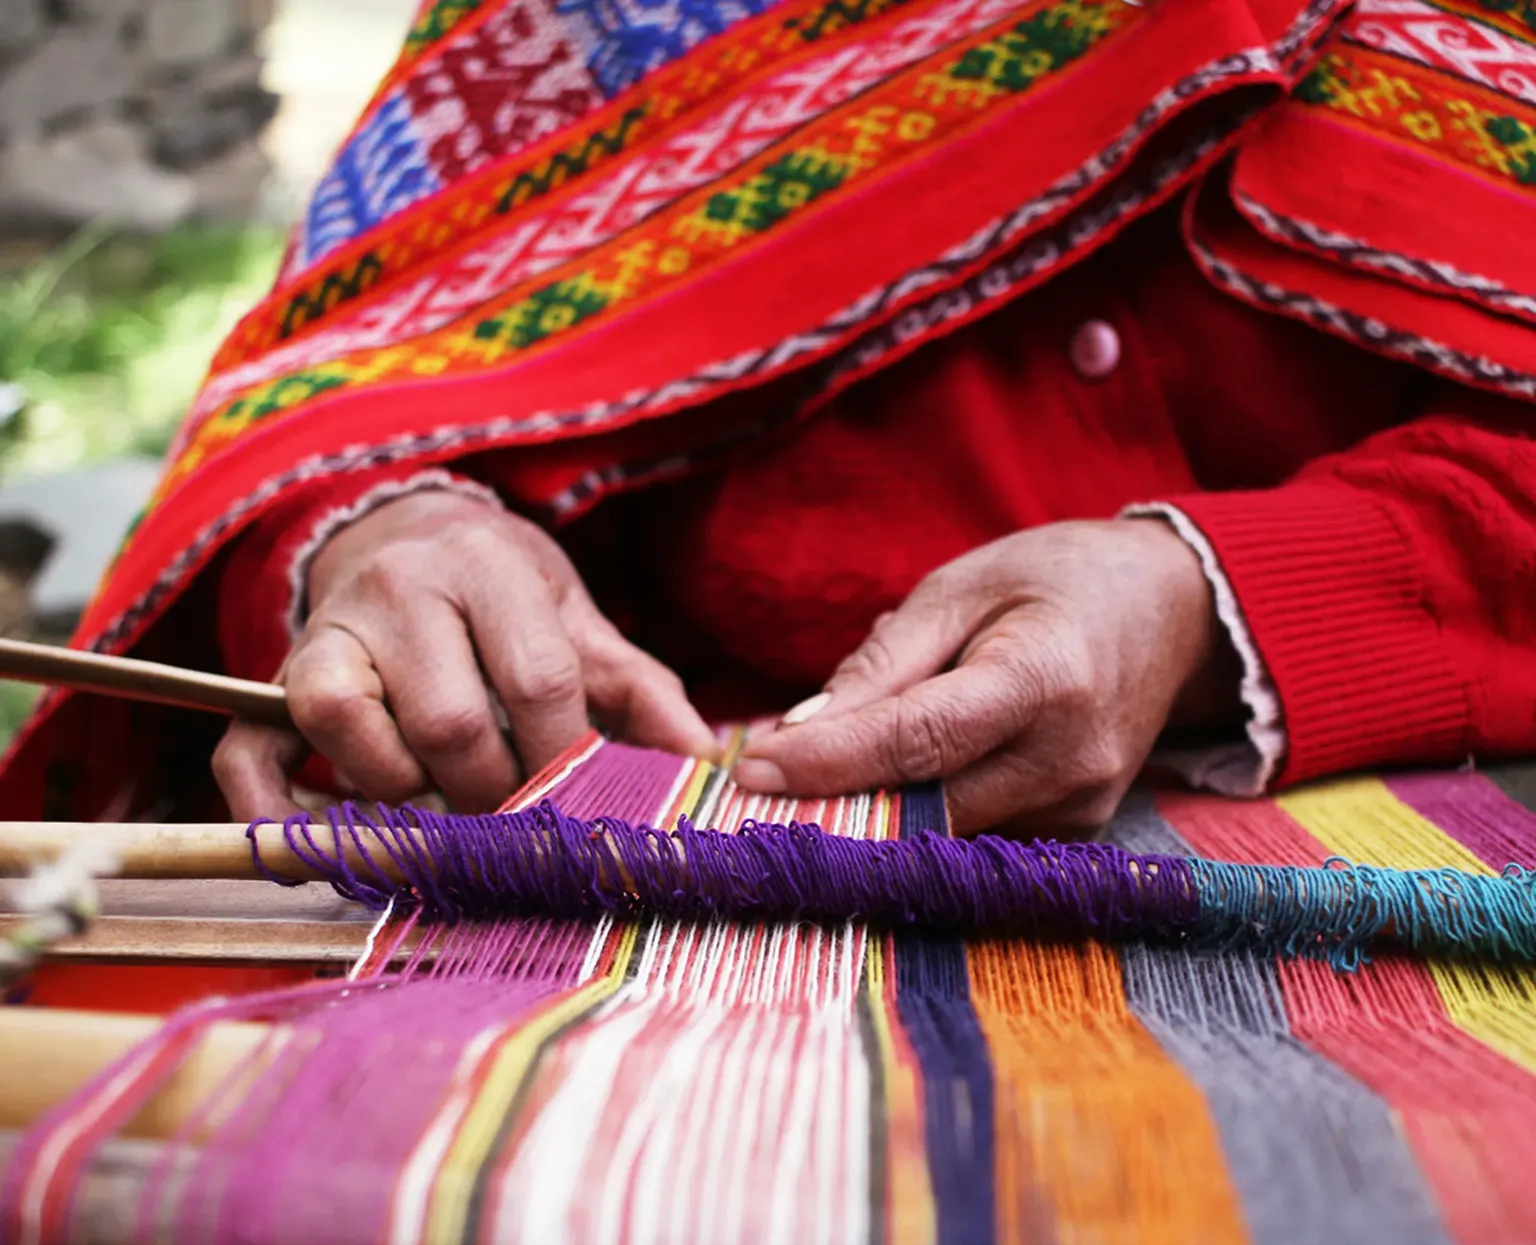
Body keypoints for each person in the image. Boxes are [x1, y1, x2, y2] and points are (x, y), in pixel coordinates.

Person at [3, 0, 1534, 841]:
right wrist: (392, 536)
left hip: (1397, 850)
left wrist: (1209, 607)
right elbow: (342, 399)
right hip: (655, 870)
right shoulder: (592, 21)